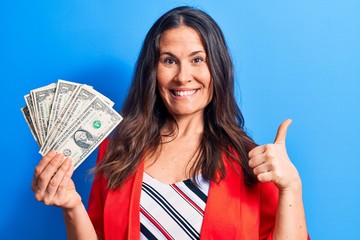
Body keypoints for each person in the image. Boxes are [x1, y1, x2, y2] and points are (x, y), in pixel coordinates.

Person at [31, 6, 309, 240]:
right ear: (152, 71)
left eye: (198, 59)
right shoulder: (117, 153)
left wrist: (291, 186)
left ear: (218, 69)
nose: (183, 76)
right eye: (169, 61)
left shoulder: (253, 164)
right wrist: (71, 206)